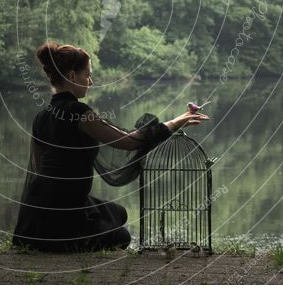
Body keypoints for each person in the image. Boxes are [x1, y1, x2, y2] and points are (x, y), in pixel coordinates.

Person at [11, 41, 210, 252]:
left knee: (119, 213)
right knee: (121, 236)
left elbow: (40, 167)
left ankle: (55, 233)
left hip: (39, 213)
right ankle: (68, 237)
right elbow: (128, 142)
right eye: (87, 75)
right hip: (64, 212)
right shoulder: (79, 112)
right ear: (71, 77)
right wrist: (175, 122)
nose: (91, 80)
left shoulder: (41, 117)